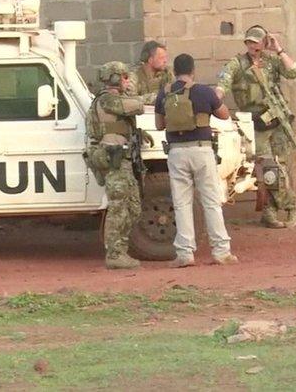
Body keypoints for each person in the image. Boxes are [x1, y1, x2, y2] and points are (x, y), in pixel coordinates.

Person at [215, 25, 296, 229]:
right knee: (267, 169)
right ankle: (293, 207)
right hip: (255, 123)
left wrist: (279, 50)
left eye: (257, 42)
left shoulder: (272, 61)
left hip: (276, 120)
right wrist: (215, 98)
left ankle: (270, 211)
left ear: (264, 43)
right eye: (249, 41)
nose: (252, 45)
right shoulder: (237, 64)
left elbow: (294, 72)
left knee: (278, 168)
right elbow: (223, 83)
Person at [155, 53, 237, 268]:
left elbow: (159, 125)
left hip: (176, 153)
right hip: (202, 151)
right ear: (193, 71)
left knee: (182, 204)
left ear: (174, 72)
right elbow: (224, 115)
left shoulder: (164, 93)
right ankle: (221, 251)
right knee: (211, 201)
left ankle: (185, 253)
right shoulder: (203, 91)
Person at [85, 61, 145, 270]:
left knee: (133, 207)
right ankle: (114, 254)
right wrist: (143, 96)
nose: (127, 81)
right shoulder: (107, 100)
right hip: (113, 159)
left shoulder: (113, 100)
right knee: (118, 206)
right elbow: (136, 106)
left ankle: (121, 249)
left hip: (123, 158)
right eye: (124, 77)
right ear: (114, 78)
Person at [127, 40, 173, 104]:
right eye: (161, 58)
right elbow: (130, 100)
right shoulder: (134, 75)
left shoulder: (167, 74)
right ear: (150, 60)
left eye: (165, 57)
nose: (165, 61)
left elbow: (172, 97)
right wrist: (155, 98)